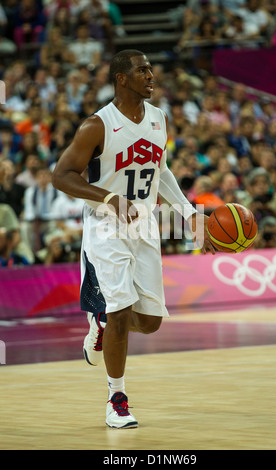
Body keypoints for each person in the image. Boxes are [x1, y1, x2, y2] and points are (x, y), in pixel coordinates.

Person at [52, 49, 215, 429]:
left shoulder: (158, 118)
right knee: (122, 309)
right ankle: (116, 399)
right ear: (121, 78)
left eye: (151, 69)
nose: (150, 75)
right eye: (142, 70)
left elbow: (161, 171)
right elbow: (61, 175)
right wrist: (108, 198)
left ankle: (101, 320)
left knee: (151, 320)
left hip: (145, 225)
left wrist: (189, 213)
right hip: (106, 225)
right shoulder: (97, 125)